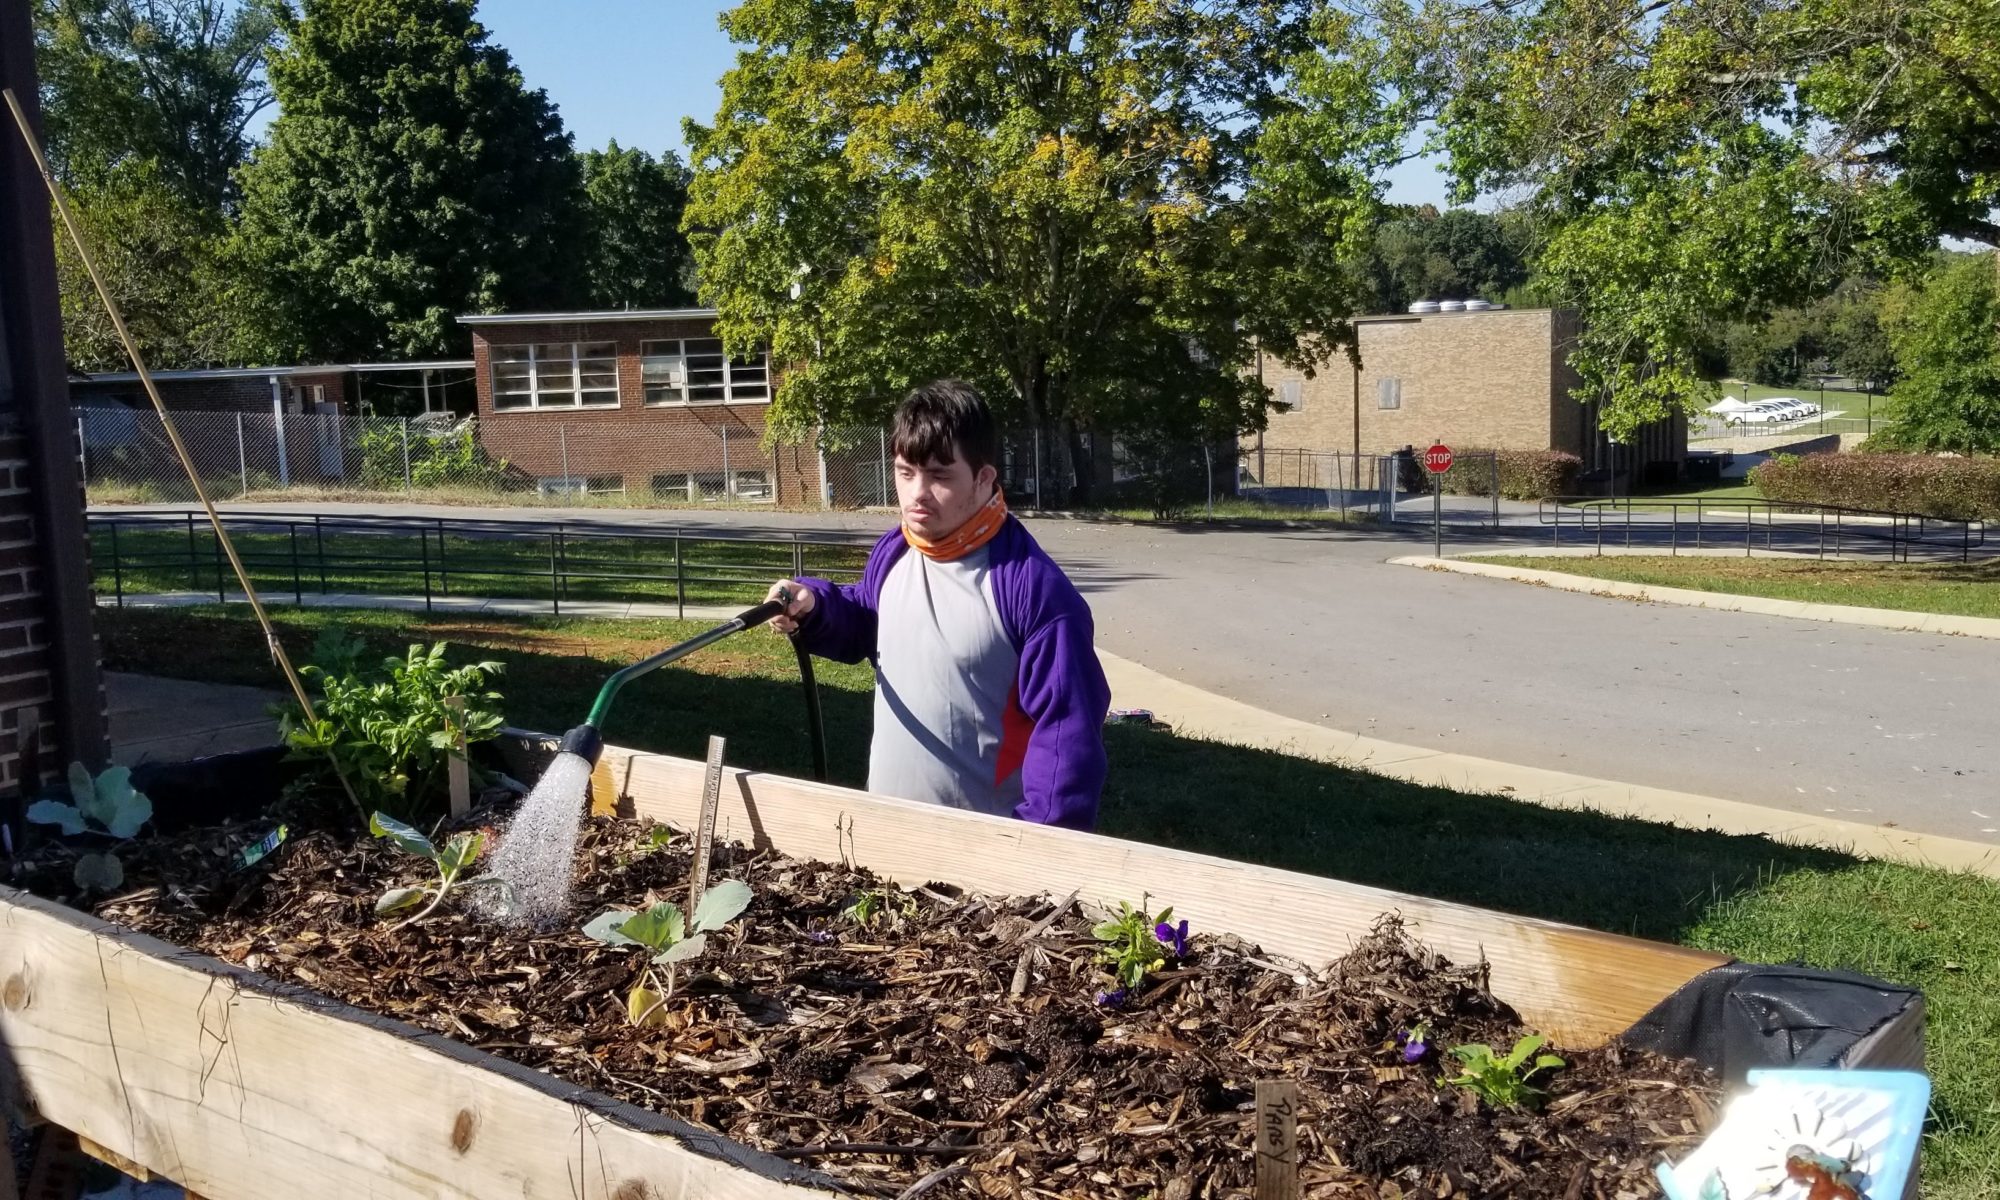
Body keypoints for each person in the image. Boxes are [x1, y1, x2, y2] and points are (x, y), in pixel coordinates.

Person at [766, 379, 1110, 830]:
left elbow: (1068, 739)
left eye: (940, 475)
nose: (916, 494)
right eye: (905, 472)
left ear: (985, 478)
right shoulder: (896, 551)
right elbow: (869, 622)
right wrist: (816, 607)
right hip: (885, 841)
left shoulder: (1034, 590)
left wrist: (1033, 852)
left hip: (982, 871)